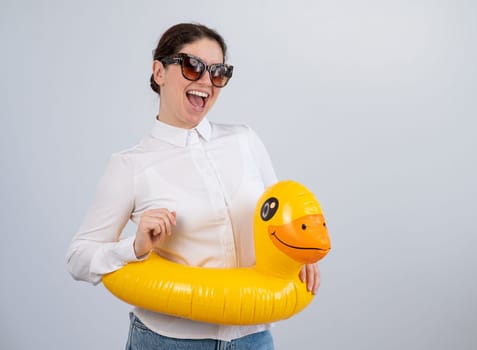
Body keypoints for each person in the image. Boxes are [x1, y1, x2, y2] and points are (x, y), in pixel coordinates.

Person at [66, 23, 320, 349]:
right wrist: (134, 248)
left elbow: (277, 220)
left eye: (218, 72)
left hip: (253, 337)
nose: (205, 81)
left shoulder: (245, 139)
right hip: (171, 341)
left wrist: (298, 253)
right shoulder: (130, 165)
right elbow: (78, 258)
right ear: (159, 71)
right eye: (192, 66)